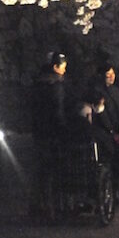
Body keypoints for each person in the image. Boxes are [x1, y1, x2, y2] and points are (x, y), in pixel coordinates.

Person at [29, 52, 69, 219]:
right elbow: (58, 109)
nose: (65, 71)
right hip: (52, 131)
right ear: (55, 67)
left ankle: (37, 204)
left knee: (40, 169)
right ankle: (51, 207)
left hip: (39, 129)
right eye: (63, 67)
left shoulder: (37, 84)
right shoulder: (56, 85)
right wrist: (63, 127)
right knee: (52, 169)